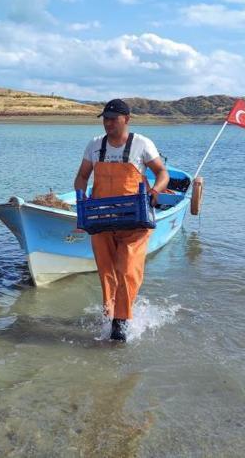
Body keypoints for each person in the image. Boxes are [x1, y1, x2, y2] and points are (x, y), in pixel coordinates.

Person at [73, 99, 169, 342]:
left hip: (135, 219)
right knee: (106, 272)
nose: (108, 123)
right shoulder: (95, 145)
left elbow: (162, 173)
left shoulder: (142, 144)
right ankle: (110, 315)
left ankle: (122, 321)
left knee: (127, 270)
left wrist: (156, 190)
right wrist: (81, 198)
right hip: (101, 218)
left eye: (113, 119)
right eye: (105, 118)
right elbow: (82, 177)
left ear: (127, 119)